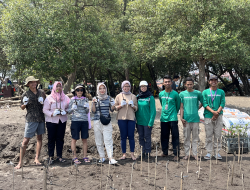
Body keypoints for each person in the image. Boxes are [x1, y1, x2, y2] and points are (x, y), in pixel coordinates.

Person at [15, 76, 46, 169]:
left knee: (39, 138)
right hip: (31, 119)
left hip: (41, 118)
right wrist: (25, 103)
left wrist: (43, 102)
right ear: (28, 84)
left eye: (35, 82)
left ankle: (37, 158)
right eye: (31, 82)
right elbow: (22, 107)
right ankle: (20, 162)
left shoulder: (41, 93)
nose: (33, 84)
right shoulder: (26, 94)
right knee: (25, 140)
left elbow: (46, 104)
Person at [43, 81, 70, 164]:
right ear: (54, 87)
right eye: (57, 86)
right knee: (51, 138)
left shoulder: (65, 97)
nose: (58, 88)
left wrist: (66, 111)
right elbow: (44, 110)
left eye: (60, 86)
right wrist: (52, 114)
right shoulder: (49, 98)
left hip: (62, 120)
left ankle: (59, 156)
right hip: (51, 121)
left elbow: (69, 107)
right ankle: (50, 156)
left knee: (60, 138)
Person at [92, 83, 117, 164]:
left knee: (108, 139)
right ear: (98, 90)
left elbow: (112, 110)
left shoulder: (109, 98)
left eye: (103, 88)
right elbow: (93, 111)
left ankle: (110, 158)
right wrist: (93, 103)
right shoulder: (95, 99)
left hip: (106, 121)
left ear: (106, 89)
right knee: (98, 140)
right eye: (100, 88)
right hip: (97, 121)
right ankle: (102, 157)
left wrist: (113, 105)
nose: (102, 90)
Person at [179, 77, 203, 160]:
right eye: (188, 84)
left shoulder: (198, 93)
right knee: (186, 137)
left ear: (193, 84)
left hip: (196, 119)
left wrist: (197, 109)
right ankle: (187, 154)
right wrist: (181, 118)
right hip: (186, 119)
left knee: (196, 137)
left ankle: (195, 154)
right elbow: (181, 107)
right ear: (185, 85)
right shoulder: (182, 94)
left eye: (191, 84)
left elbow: (203, 102)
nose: (189, 86)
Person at [202, 75, 225, 160]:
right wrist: (213, 112)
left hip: (219, 115)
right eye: (212, 80)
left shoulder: (221, 92)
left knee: (218, 134)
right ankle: (208, 152)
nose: (213, 81)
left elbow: (222, 103)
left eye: (215, 80)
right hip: (208, 116)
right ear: (209, 81)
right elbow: (204, 104)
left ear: (217, 82)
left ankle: (217, 152)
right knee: (209, 135)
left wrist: (217, 113)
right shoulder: (205, 92)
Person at [114, 80, 138, 160]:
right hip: (121, 118)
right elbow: (114, 108)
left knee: (131, 137)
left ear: (130, 87)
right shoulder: (118, 96)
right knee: (123, 137)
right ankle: (124, 154)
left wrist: (133, 106)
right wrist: (120, 105)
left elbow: (136, 108)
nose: (126, 88)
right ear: (122, 87)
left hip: (131, 119)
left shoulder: (133, 96)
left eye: (128, 86)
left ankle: (132, 154)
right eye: (125, 86)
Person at [67, 84, 90, 164]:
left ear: (83, 91)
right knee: (74, 139)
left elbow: (87, 112)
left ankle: (85, 156)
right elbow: (68, 111)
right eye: (78, 90)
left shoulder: (86, 100)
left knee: (84, 139)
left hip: (84, 121)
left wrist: (87, 107)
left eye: (81, 90)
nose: (80, 91)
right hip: (75, 121)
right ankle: (74, 157)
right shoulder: (72, 100)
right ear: (75, 91)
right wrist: (72, 108)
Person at [159, 75, 181, 161]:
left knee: (175, 136)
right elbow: (162, 104)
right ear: (163, 83)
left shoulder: (175, 94)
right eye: (166, 82)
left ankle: (176, 154)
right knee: (164, 136)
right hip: (163, 118)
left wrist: (174, 113)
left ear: (171, 83)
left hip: (173, 118)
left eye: (169, 82)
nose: (167, 83)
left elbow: (178, 105)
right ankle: (165, 152)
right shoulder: (161, 94)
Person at [136, 81, 156, 159]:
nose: (143, 88)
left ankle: (148, 152)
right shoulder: (138, 97)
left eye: (144, 86)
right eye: (141, 86)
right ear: (140, 87)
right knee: (140, 137)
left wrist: (151, 122)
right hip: (139, 121)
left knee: (147, 137)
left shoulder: (150, 97)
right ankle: (142, 152)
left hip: (147, 122)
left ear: (147, 87)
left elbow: (153, 111)